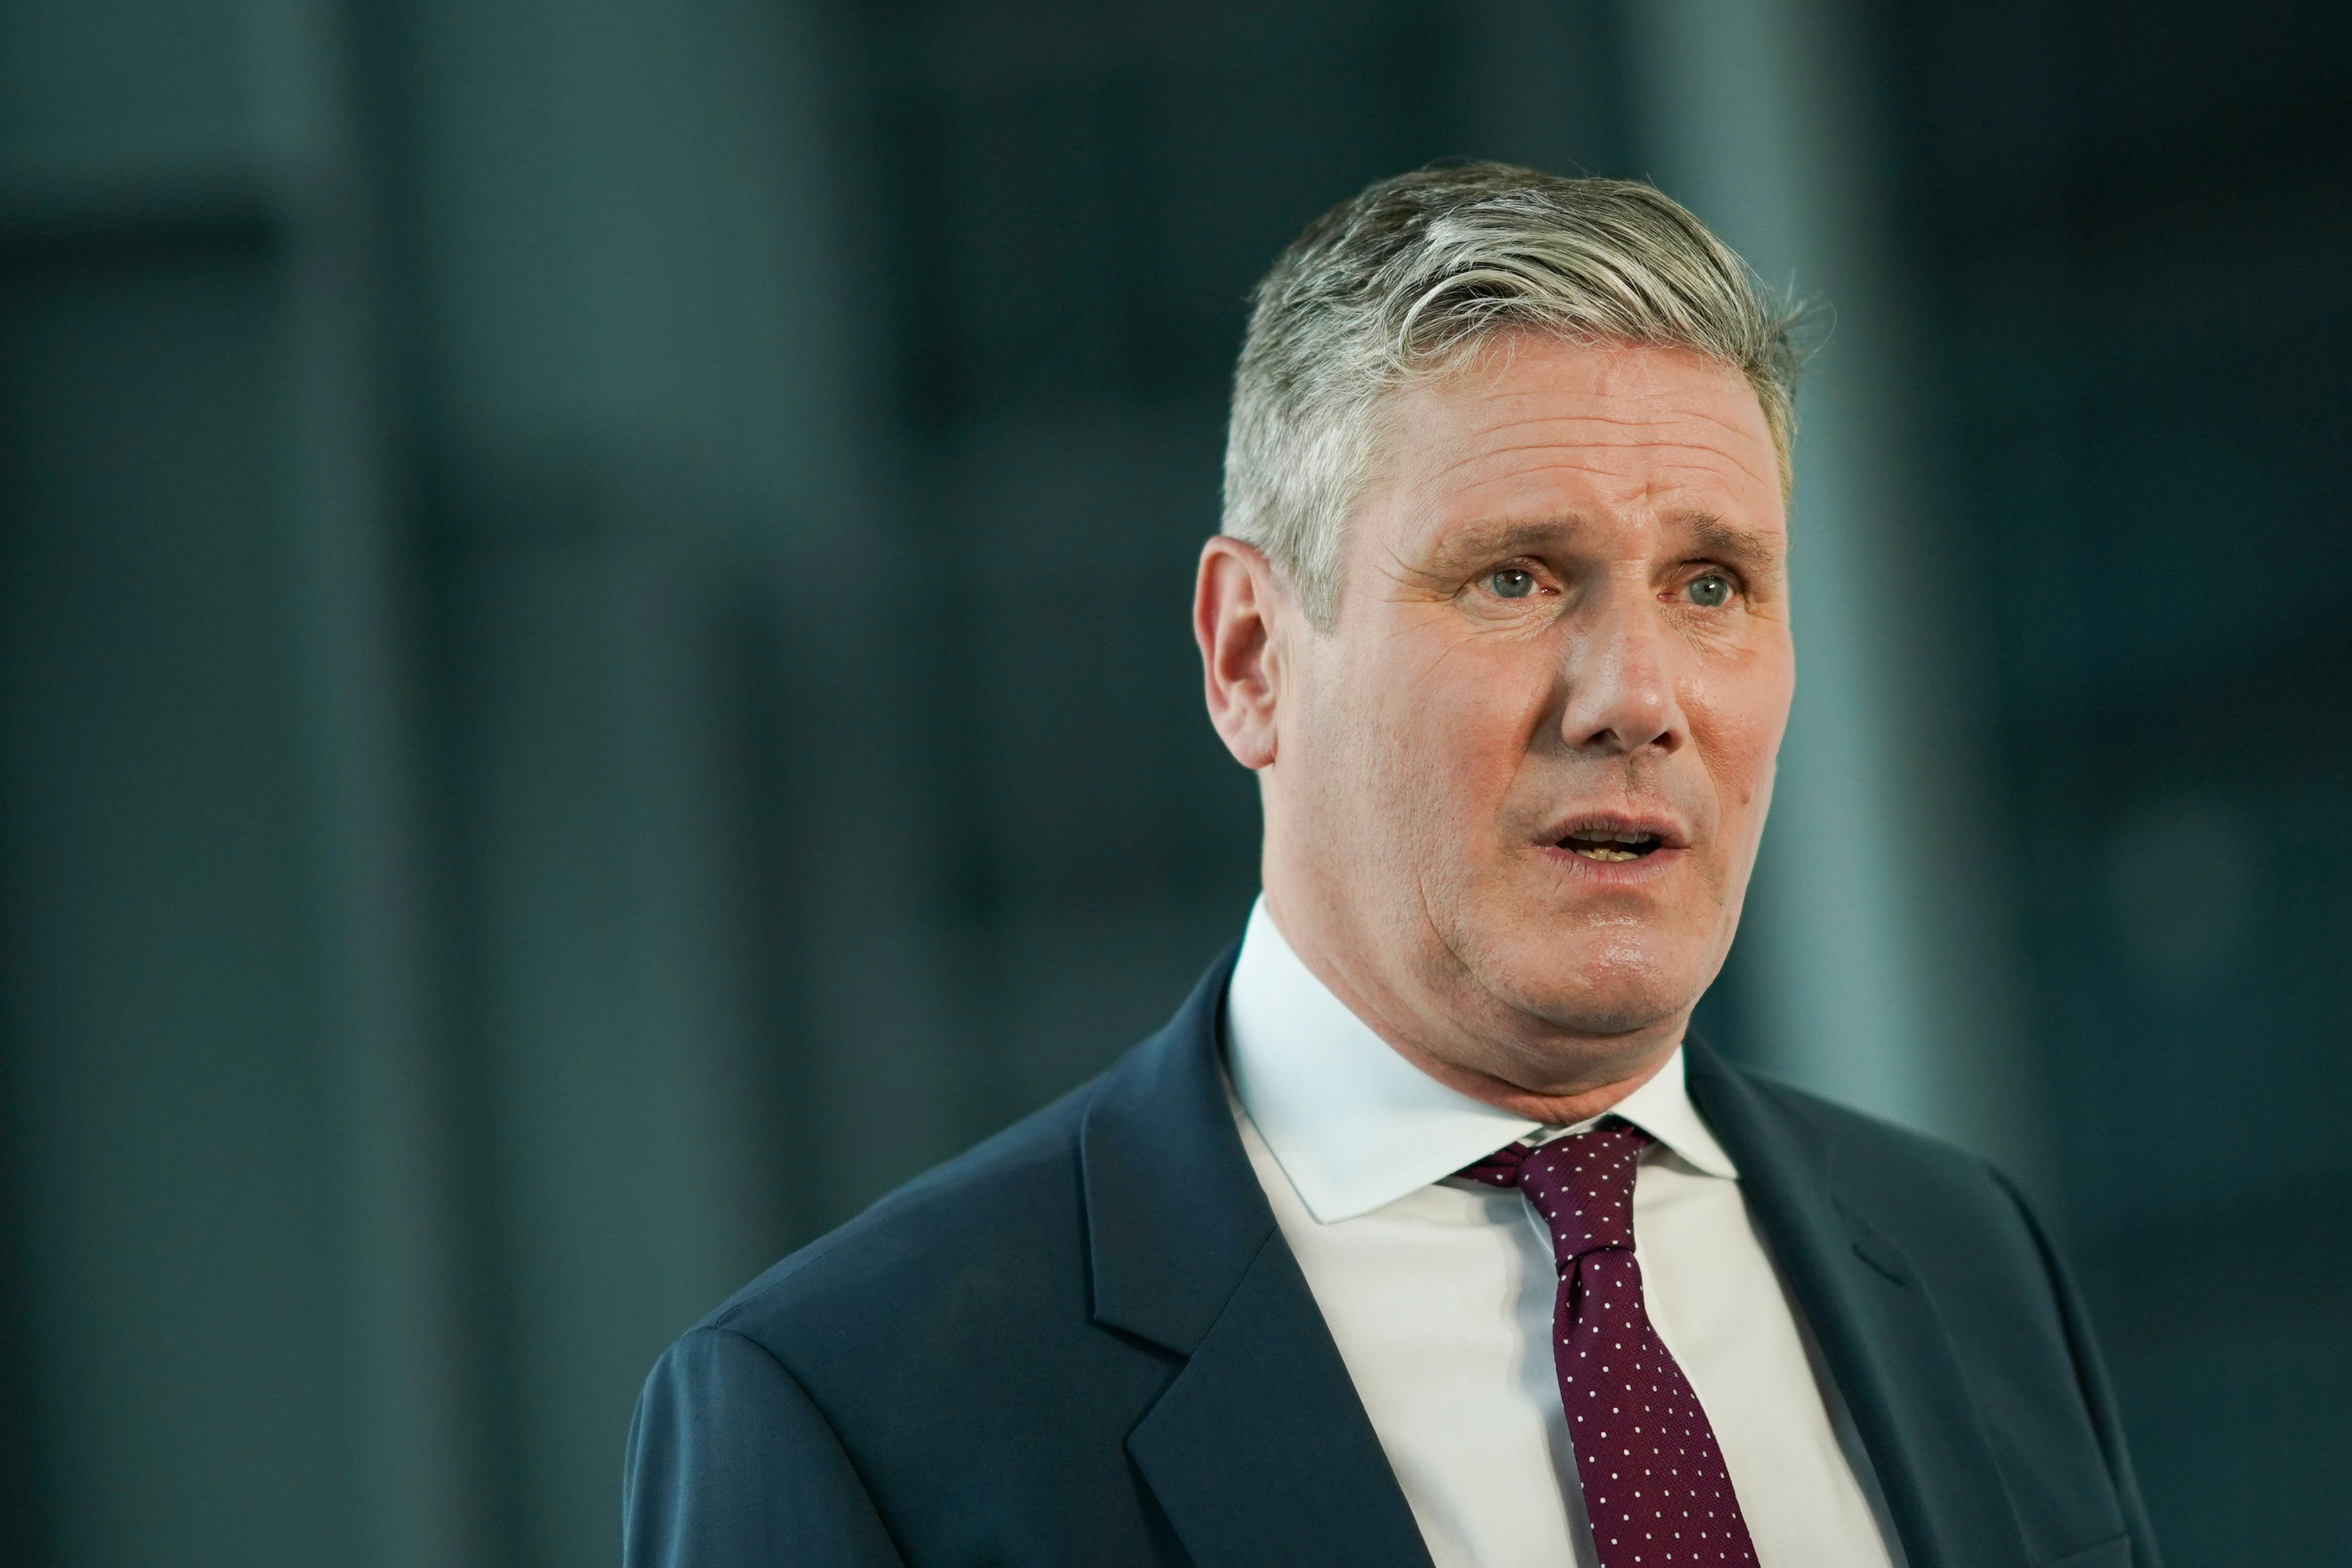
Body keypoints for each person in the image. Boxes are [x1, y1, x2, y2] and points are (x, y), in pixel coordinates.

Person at [623, 164, 2159, 1568]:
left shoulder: (1969, 1259)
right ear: (1250, 658)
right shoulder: (854, 1407)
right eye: (1514, 574)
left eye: (1713, 583)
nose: (1638, 695)